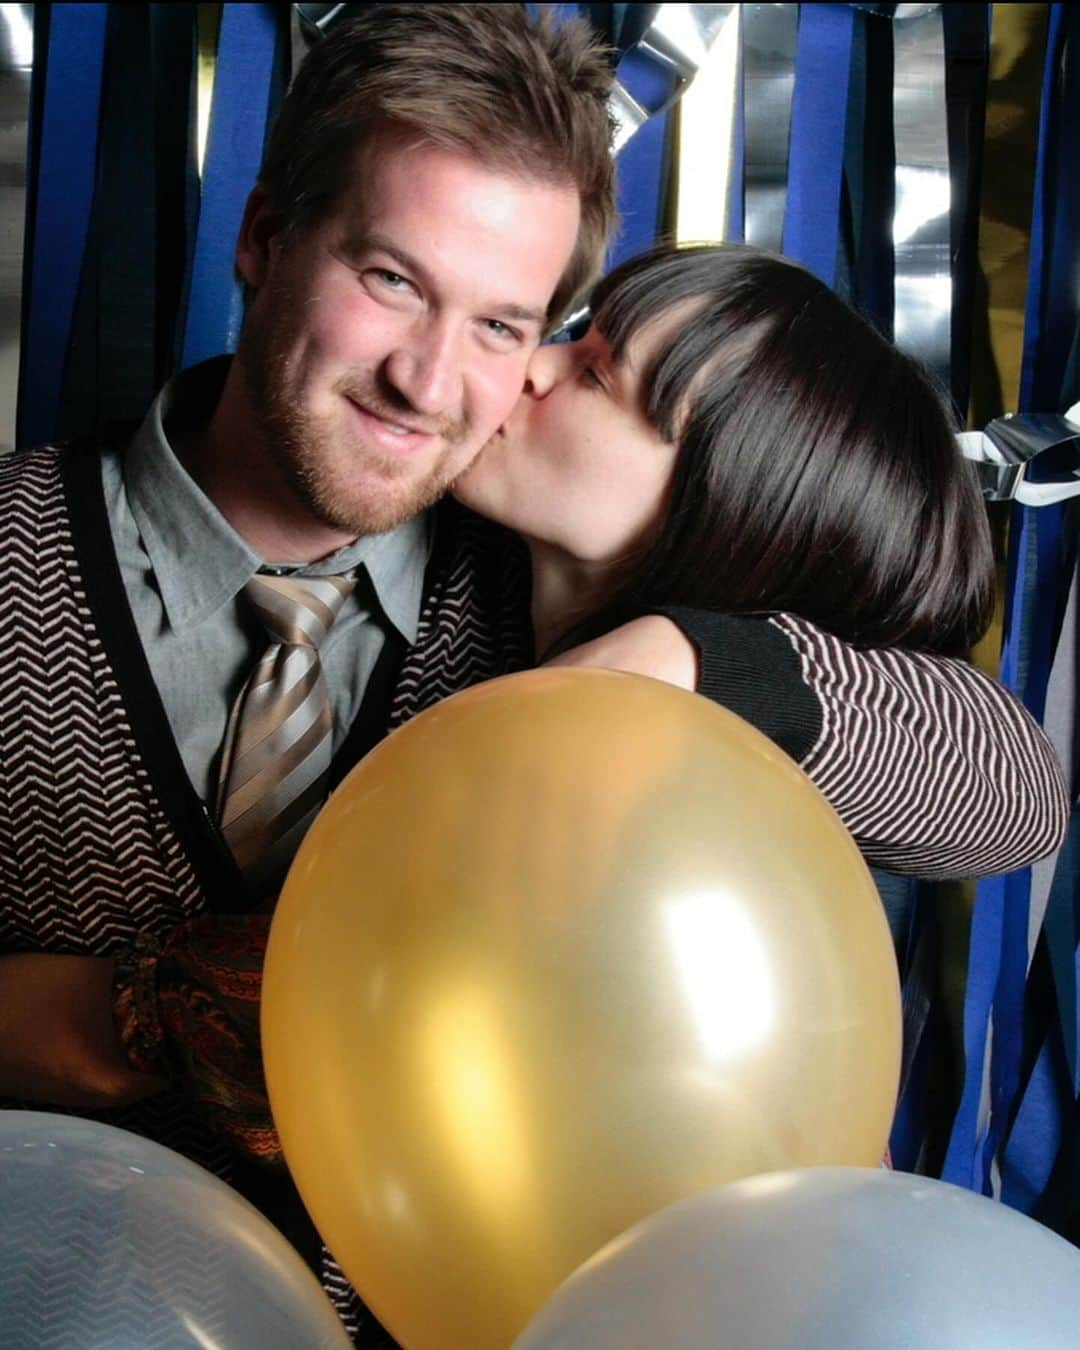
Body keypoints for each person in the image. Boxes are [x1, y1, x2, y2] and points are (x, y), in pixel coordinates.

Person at [0, 4, 1063, 1341]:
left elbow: (1006, 780)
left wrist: (694, 654)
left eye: (509, 322)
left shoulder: (550, 596)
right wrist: (139, 1016)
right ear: (263, 235)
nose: (434, 382)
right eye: (392, 279)